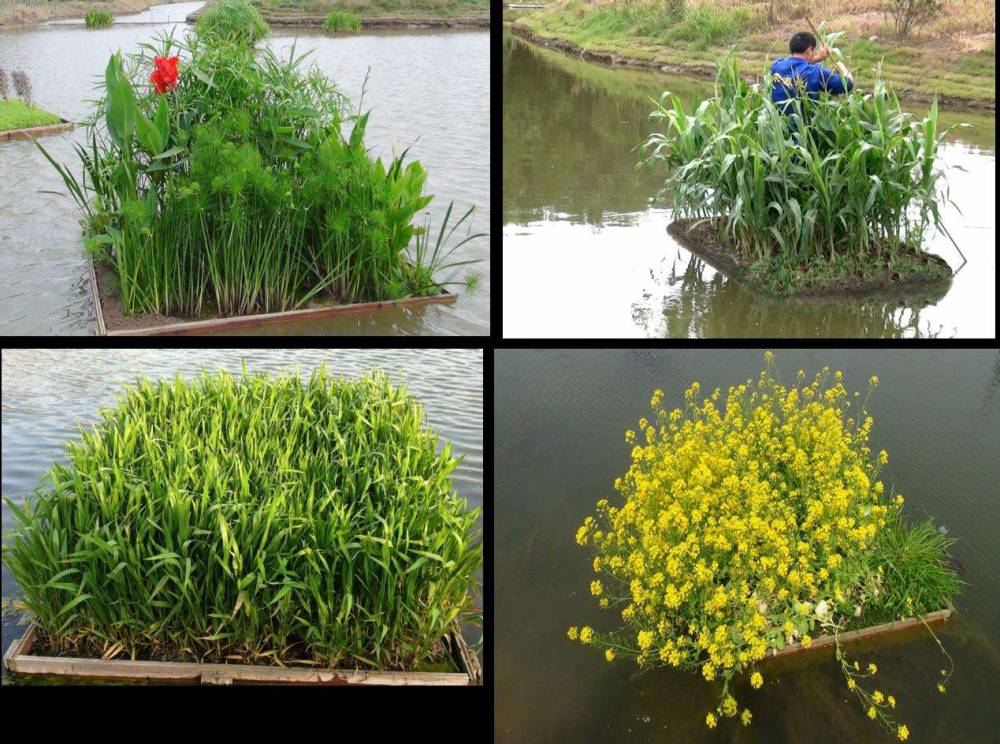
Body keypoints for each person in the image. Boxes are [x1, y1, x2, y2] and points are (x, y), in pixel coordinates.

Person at [771, 31, 854, 115]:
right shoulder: (815, 72)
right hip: (803, 127)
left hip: (779, 125)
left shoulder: (776, 66)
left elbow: (797, 64)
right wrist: (842, 68)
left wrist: (817, 58)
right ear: (810, 50)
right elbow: (847, 85)